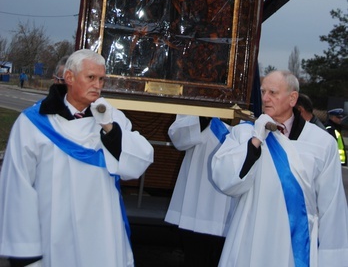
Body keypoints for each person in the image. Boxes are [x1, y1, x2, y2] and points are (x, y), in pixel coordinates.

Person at [0, 49, 154, 267]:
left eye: (101, 79)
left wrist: (110, 130)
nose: (98, 85)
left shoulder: (112, 117)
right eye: (91, 78)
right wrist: (25, 252)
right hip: (53, 233)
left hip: (101, 234)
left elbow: (139, 162)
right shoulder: (33, 124)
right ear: (70, 78)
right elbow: (18, 187)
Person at [211, 70, 348, 267]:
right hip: (251, 237)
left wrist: (332, 259)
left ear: (293, 98)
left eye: (273, 92)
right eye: (263, 91)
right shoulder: (244, 133)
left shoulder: (322, 142)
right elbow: (225, 182)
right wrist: (255, 141)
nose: (265, 98)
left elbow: (332, 206)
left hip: (295, 244)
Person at [165, 115, 235, 267]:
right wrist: (203, 118)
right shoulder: (199, 97)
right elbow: (177, 137)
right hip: (197, 201)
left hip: (233, 202)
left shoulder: (254, 99)